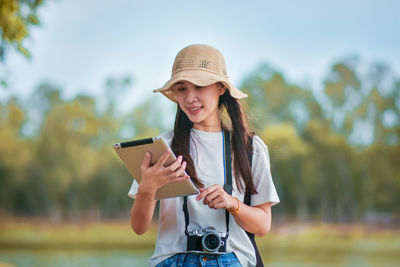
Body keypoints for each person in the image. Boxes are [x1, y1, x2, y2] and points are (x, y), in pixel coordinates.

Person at [128, 44, 280, 267]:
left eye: (199, 86)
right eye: (181, 89)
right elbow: (139, 227)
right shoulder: (163, 148)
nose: (190, 98)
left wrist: (232, 203)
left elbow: (263, 225)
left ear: (220, 88)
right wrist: (147, 187)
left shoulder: (251, 148)